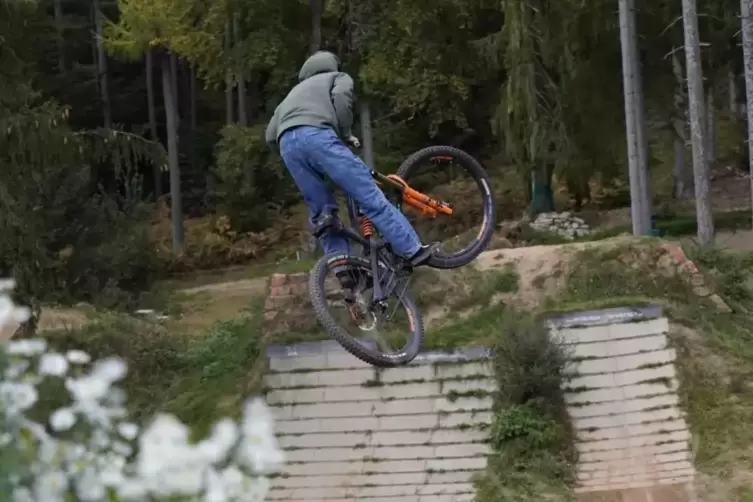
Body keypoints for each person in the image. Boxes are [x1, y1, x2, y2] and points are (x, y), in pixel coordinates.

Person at [265, 51, 436, 294]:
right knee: (370, 197)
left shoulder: (289, 97)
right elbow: (342, 99)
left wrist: (291, 148)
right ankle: (413, 250)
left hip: (287, 146)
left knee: (323, 213)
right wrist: (344, 135)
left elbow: (270, 135)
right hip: (319, 136)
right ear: (332, 65)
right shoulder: (337, 77)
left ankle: (344, 271)